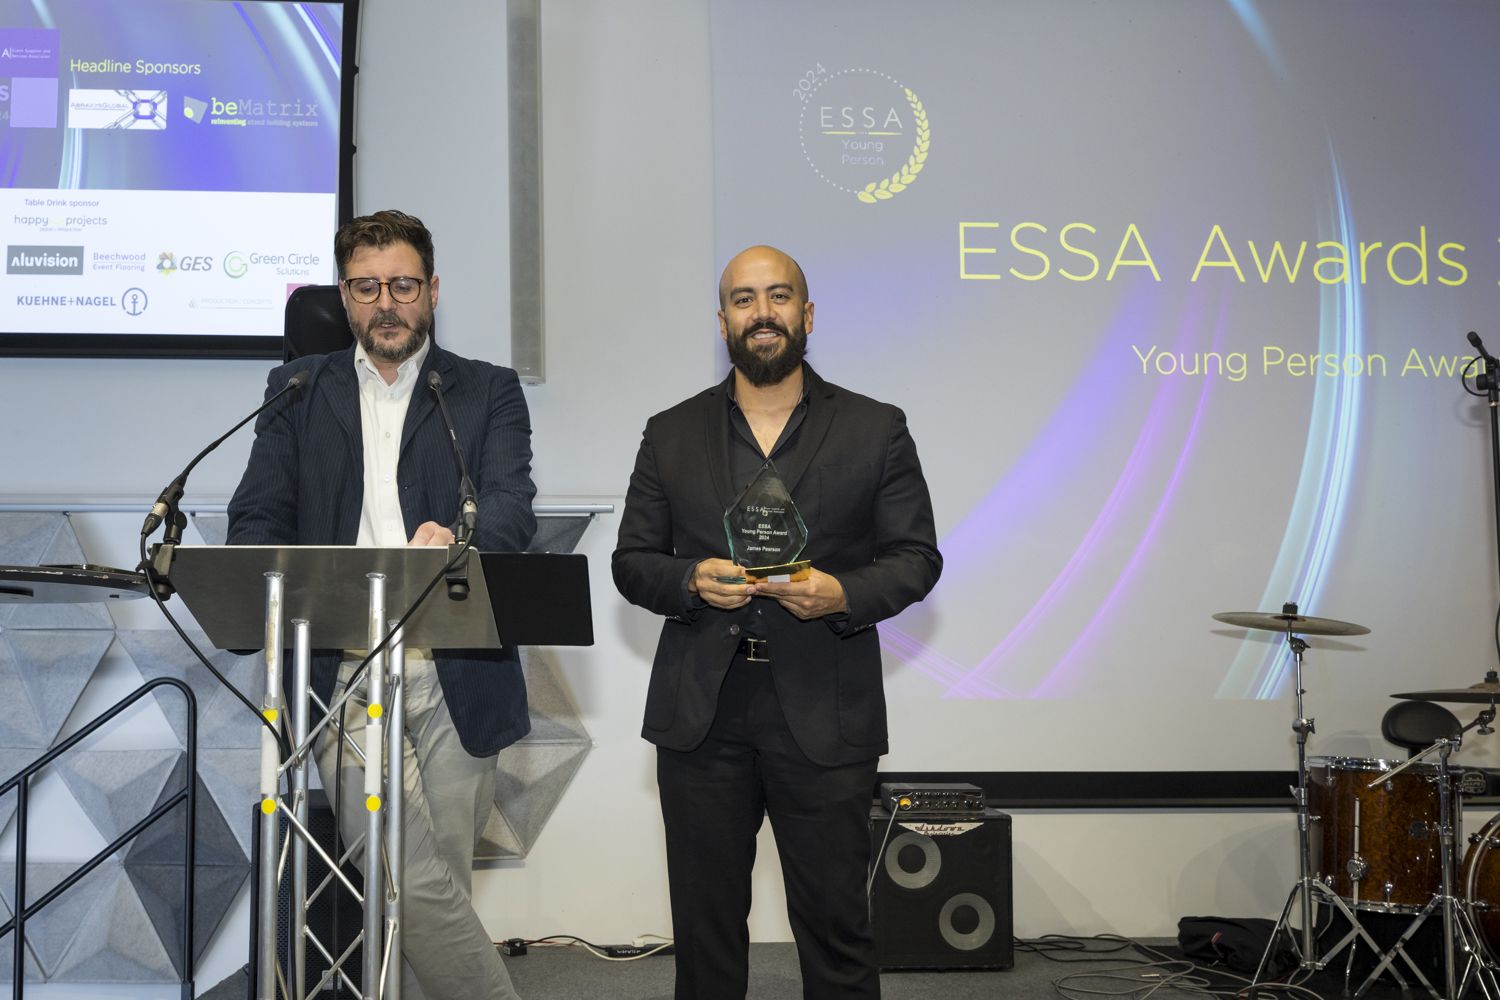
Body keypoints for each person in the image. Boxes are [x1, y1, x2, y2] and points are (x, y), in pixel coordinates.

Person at [612, 245, 942, 998]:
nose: (762, 313)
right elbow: (632, 562)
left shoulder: (875, 427)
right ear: (722, 320)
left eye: (779, 296)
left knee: (836, 930)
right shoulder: (670, 432)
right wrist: (689, 579)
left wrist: (842, 593)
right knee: (705, 935)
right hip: (702, 714)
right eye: (744, 299)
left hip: (826, 707)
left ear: (808, 314)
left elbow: (916, 558)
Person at [227, 209, 535, 1000]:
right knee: (404, 871)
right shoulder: (298, 388)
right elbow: (256, 516)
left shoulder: (486, 390)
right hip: (344, 668)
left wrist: (458, 535)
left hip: (457, 662)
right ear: (344, 296)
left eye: (403, 285)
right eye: (366, 288)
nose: (386, 304)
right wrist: (270, 571)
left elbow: (510, 509)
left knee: (440, 886)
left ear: (432, 290)